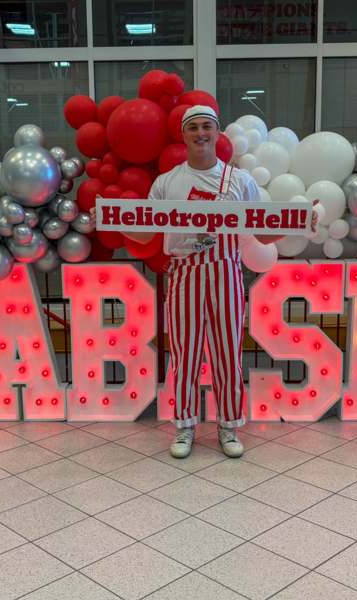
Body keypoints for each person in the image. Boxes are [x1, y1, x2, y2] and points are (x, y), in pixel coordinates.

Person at [119, 105, 288, 459]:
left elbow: (260, 231)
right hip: (183, 272)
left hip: (226, 271)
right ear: (184, 134)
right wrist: (114, 218)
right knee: (184, 353)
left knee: (227, 351)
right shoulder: (167, 181)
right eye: (193, 127)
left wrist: (302, 221)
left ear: (217, 132)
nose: (200, 133)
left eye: (207, 127)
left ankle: (228, 425)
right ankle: (184, 425)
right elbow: (145, 230)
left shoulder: (240, 180)